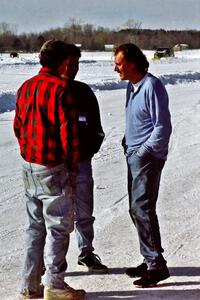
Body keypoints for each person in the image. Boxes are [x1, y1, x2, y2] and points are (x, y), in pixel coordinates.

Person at [14, 40, 86, 300]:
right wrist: (73, 165)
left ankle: (29, 286)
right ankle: (54, 284)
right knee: (58, 227)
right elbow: (69, 134)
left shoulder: (25, 87)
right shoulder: (60, 89)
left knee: (34, 227)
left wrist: (28, 152)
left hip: (29, 165)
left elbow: (18, 127)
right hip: (53, 167)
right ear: (61, 62)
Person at [114, 43, 172, 288]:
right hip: (134, 155)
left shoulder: (152, 85)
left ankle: (156, 265)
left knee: (142, 208)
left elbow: (162, 127)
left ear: (132, 63)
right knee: (136, 209)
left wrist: (143, 151)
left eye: (119, 63)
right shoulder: (132, 86)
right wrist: (128, 143)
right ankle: (151, 258)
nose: (115, 68)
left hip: (147, 157)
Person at [62, 44, 107, 272]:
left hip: (81, 163)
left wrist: (87, 151)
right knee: (55, 214)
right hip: (55, 165)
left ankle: (86, 252)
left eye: (76, 65)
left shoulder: (84, 91)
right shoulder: (50, 91)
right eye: (69, 64)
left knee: (84, 210)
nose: (73, 69)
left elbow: (97, 128)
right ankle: (51, 260)